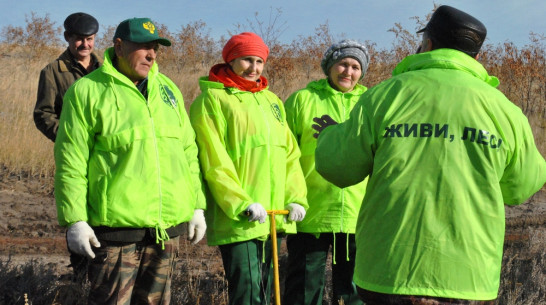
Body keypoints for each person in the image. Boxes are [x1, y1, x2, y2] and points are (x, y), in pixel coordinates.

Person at [312, 5, 546, 305]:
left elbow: (339, 167)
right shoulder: (504, 110)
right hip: (468, 278)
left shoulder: (384, 95)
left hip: (388, 272)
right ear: (475, 57)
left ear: (428, 44)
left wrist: (331, 134)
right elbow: (522, 186)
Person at [54, 17, 207, 305]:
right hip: (116, 235)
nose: (151, 55)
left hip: (165, 231)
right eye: (143, 47)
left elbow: (187, 151)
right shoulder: (87, 91)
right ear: (120, 46)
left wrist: (196, 204)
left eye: (155, 48)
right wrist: (75, 219)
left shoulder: (169, 91)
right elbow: (70, 161)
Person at [189, 32, 308, 305]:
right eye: (246, 60)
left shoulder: (272, 102)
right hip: (241, 217)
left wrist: (296, 197)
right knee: (248, 292)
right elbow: (214, 160)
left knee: (268, 291)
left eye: (259, 62)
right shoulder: (212, 100)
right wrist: (241, 203)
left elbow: (289, 154)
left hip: (273, 217)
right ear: (231, 60)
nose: (254, 68)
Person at [282, 40, 369, 305]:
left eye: (355, 67)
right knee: (303, 291)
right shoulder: (302, 100)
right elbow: (285, 154)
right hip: (311, 212)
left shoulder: (371, 102)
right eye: (343, 64)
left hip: (357, 214)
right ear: (329, 66)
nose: (348, 72)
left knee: (354, 293)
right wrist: (289, 196)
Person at [34, 12, 102, 142]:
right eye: (79, 39)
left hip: (105, 151)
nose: (85, 44)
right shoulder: (52, 72)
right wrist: (69, 138)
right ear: (67, 37)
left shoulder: (107, 69)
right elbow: (43, 114)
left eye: (89, 39)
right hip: (73, 151)